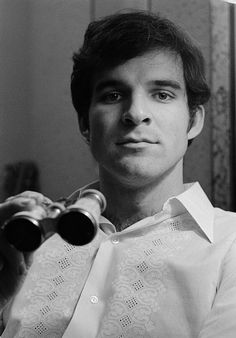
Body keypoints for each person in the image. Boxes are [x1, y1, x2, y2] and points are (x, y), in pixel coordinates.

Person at [0, 10, 236, 338]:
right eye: (113, 95)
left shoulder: (231, 246)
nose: (136, 114)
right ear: (85, 123)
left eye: (162, 94)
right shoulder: (28, 242)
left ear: (194, 120)